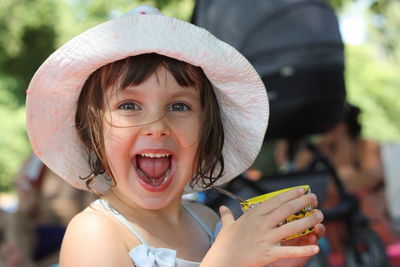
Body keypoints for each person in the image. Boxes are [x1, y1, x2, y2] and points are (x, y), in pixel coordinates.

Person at [25, 5, 325, 267]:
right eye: (129, 105)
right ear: (91, 133)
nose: (157, 126)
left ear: (207, 131)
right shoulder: (94, 232)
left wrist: (274, 262)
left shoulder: (207, 222)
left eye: (179, 106)